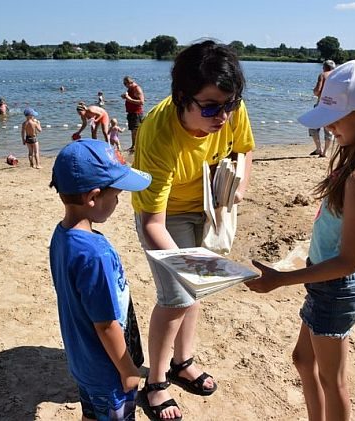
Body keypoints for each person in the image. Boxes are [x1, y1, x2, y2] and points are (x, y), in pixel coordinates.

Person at [247, 58, 355, 421]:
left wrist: (281, 279)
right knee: (302, 360)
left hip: (338, 285)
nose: (329, 126)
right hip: (329, 283)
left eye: (337, 117)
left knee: (334, 382)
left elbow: (348, 259)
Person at [132, 40, 255, 421]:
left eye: (230, 105)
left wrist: (238, 188)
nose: (223, 116)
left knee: (193, 291)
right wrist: (189, 263)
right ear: (182, 97)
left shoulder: (229, 106)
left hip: (209, 206)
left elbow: (245, 149)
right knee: (175, 297)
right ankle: (154, 382)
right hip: (165, 214)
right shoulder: (159, 133)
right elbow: (152, 221)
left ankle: (182, 361)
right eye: (211, 108)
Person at [49, 139, 152, 421]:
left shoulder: (61, 236)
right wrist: (128, 369)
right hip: (108, 370)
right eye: (117, 195)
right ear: (93, 198)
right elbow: (106, 325)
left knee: (92, 413)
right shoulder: (95, 254)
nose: (118, 201)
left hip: (83, 361)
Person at [307, 60, 336, 158]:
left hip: (322, 104)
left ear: (324, 67)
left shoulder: (323, 75)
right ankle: (325, 152)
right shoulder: (339, 75)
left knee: (313, 126)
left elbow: (317, 91)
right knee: (329, 129)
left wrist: (315, 91)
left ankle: (319, 148)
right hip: (334, 105)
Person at [121, 76, 145, 153]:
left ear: (130, 82)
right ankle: (133, 146)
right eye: (124, 84)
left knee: (135, 130)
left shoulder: (137, 89)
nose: (125, 85)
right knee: (132, 130)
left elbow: (141, 102)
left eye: (125, 84)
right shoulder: (130, 89)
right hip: (131, 113)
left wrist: (129, 99)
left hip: (136, 113)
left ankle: (135, 147)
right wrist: (125, 97)